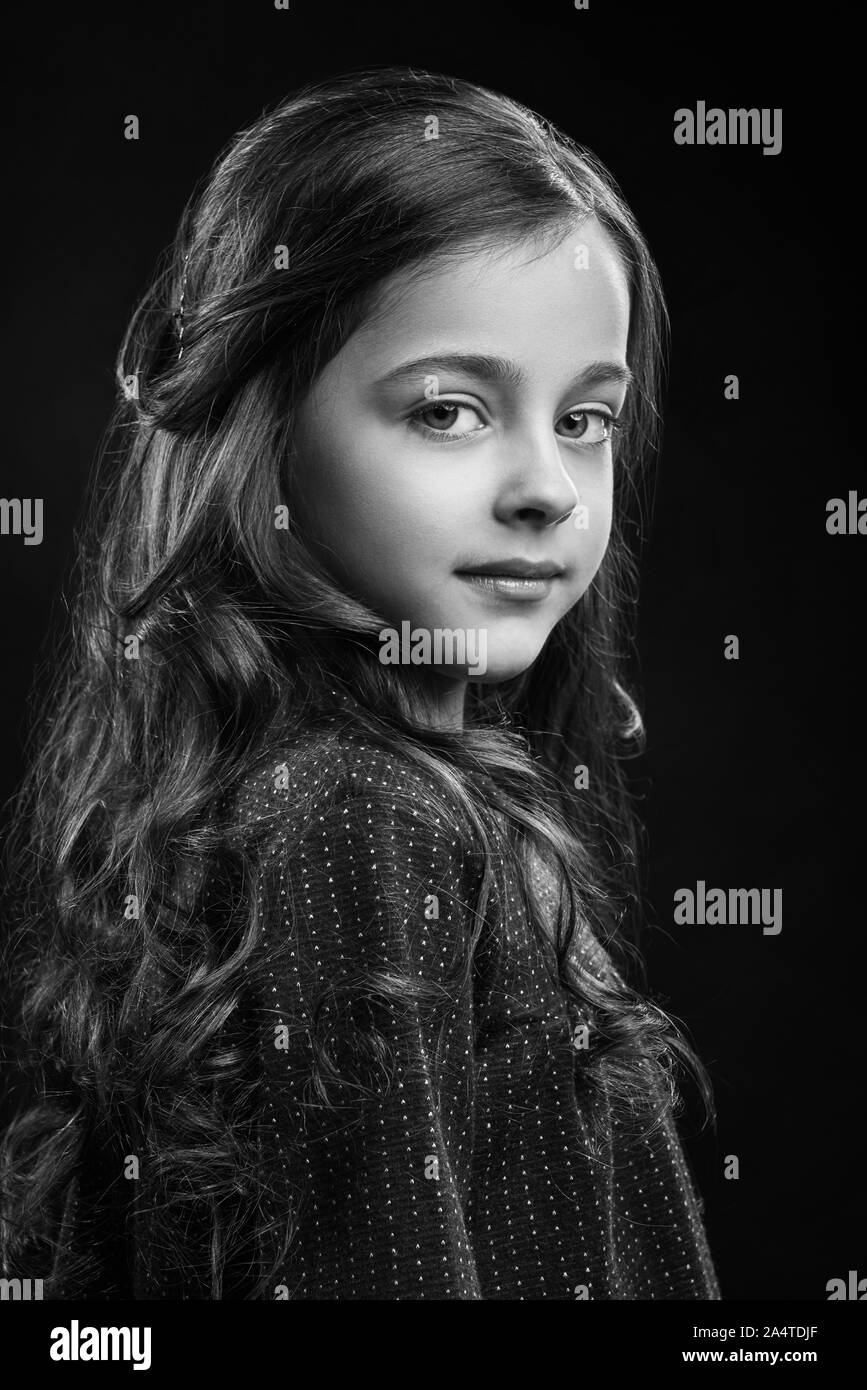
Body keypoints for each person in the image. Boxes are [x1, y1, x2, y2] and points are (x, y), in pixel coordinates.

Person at [0, 65, 720, 1300]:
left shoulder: (398, 801)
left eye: (587, 419)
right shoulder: (359, 816)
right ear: (267, 427)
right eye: (447, 410)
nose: (545, 484)